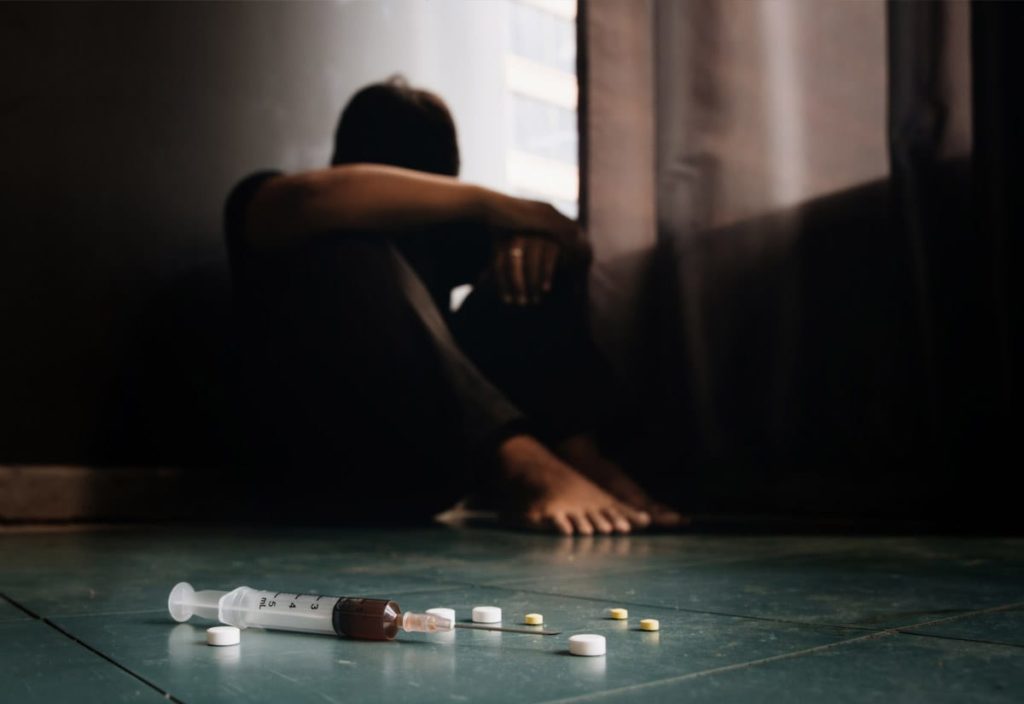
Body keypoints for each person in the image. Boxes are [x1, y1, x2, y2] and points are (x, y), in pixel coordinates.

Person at [225, 76, 684, 535]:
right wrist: (493, 204)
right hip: (320, 456)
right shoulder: (277, 205)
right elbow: (312, 199)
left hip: (430, 460)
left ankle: (578, 456)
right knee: (345, 244)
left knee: (527, 258)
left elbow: (574, 253)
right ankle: (523, 463)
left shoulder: (443, 239)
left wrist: (533, 239)